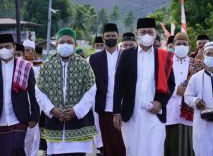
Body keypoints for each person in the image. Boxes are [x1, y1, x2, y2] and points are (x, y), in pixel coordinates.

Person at [113, 17, 176, 156]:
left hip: (154, 111)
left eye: (149, 31)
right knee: (132, 150)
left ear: (155, 34)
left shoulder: (164, 56)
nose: (146, 34)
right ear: (137, 34)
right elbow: (118, 85)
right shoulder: (126, 55)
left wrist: (160, 102)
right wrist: (116, 111)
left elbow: (171, 84)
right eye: (143, 32)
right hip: (132, 112)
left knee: (155, 149)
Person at [36, 28, 98, 155]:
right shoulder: (47, 65)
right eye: (62, 42)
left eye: (69, 42)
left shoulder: (84, 65)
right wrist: (52, 110)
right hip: (54, 122)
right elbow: (39, 91)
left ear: (75, 45)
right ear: (57, 44)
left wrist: (76, 111)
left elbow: (91, 90)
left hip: (79, 124)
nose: (65, 44)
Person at [0, 33, 40, 155]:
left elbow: (33, 93)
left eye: (7, 46)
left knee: (17, 148)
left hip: (19, 117)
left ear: (14, 47)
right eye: (0, 47)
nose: (4, 50)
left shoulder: (25, 66)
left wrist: (35, 115)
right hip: (1, 118)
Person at [89, 23, 125, 156]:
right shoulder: (94, 58)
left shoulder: (126, 55)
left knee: (123, 143)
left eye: (113, 35)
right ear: (103, 37)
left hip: (123, 107)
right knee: (108, 144)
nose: (111, 38)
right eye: (108, 35)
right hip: (103, 108)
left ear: (118, 36)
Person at [165, 32, 201, 156]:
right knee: (165, 147)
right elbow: (158, 84)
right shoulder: (166, 62)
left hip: (189, 113)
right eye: (178, 44)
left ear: (189, 46)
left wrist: (189, 92)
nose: (181, 46)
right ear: (173, 46)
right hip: (167, 112)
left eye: (184, 44)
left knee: (186, 149)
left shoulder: (196, 64)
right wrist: (176, 90)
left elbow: (201, 86)